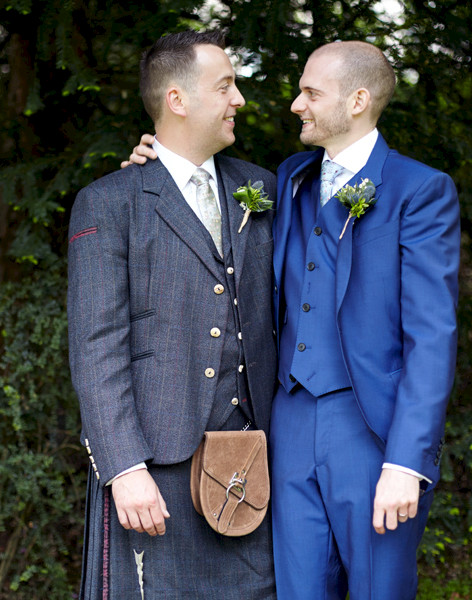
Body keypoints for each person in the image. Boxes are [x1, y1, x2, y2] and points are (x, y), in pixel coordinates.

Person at [124, 40, 460, 599]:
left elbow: (432, 337)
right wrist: (156, 164)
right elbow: (200, 199)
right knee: (297, 590)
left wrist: (407, 460)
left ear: (357, 100)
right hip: (287, 426)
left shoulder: (419, 191)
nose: (295, 105)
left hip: (373, 433)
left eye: (310, 93)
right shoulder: (288, 180)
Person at [67, 30, 278, 600]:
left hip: (255, 464)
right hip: (156, 470)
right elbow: (96, 344)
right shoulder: (110, 201)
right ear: (177, 100)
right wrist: (123, 468)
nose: (239, 100)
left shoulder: (263, 189)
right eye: (226, 86)